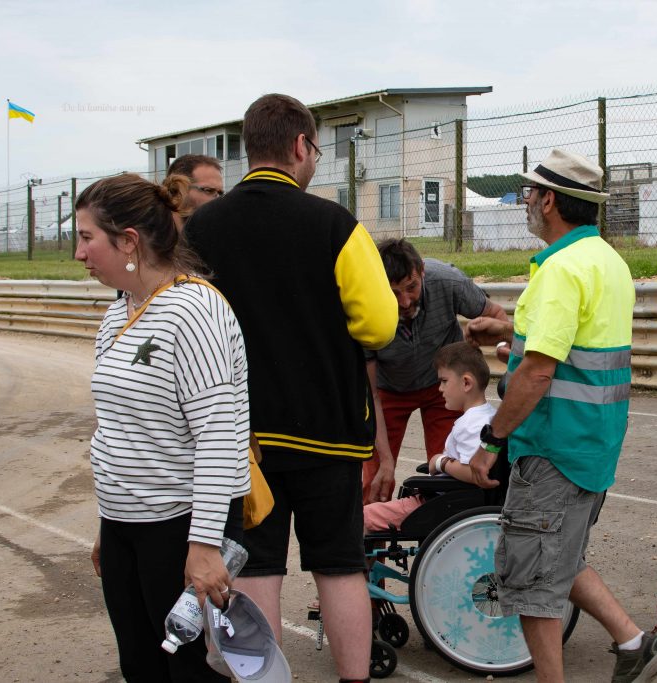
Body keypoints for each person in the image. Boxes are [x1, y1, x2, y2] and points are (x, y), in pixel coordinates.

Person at [183, 93, 397, 683]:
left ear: (250, 150)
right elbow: (378, 324)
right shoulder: (336, 224)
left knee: (256, 571)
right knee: (339, 565)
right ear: (301, 146)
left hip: (242, 440)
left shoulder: (201, 228)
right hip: (329, 432)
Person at [468, 149, 657, 682]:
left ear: (550, 200)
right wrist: (512, 336)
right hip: (593, 442)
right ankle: (635, 642)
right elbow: (571, 347)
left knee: (533, 582)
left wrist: (492, 439)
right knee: (556, 554)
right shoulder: (606, 259)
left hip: (553, 447)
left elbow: (539, 372)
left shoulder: (560, 269)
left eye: (529, 195)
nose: (525, 204)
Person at [77, 172, 251, 682]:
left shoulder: (194, 310)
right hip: (125, 526)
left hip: (180, 528)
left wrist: (202, 548)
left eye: (87, 238)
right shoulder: (119, 313)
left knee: (188, 673)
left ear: (128, 241)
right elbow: (120, 428)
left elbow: (220, 437)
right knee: (140, 664)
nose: (80, 253)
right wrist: (109, 525)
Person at [363, 238, 509, 503]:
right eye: (393, 293)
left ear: (422, 272)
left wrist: (500, 345)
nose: (405, 301)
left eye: (411, 287)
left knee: (451, 471)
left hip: (441, 387)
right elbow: (370, 396)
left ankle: (443, 536)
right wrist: (385, 461)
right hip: (388, 390)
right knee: (374, 478)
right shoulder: (365, 304)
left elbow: (497, 314)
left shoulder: (448, 281)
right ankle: (369, 539)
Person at [363, 341, 496, 532]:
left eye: (444, 381)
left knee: (361, 518)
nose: (439, 388)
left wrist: (440, 462)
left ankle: (353, 563)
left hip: (443, 504)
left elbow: (475, 473)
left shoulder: (472, 424)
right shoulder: (488, 416)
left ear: (466, 383)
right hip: (448, 500)